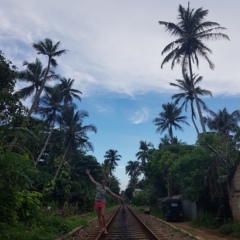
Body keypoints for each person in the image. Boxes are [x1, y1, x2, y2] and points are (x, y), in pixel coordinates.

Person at [86, 169, 124, 234]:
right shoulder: (98, 185)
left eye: (104, 182)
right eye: (102, 182)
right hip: (97, 202)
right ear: (101, 183)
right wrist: (89, 174)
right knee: (99, 216)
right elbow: (92, 180)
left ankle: (105, 228)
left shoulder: (106, 188)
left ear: (105, 183)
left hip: (102, 203)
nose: (103, 183)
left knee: (103, 215)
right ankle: (101, 228)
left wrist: (119, 197)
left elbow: (112, 194)